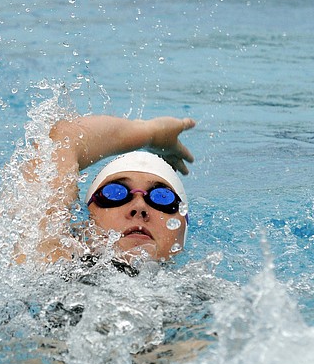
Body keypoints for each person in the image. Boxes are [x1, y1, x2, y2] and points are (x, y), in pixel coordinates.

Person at [22, 114, 196, 266]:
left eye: (162, 198)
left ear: (182, 232)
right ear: (84, 227)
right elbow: (64, 137)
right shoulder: (51, 261)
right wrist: (149, 132)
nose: (139, 207)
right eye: (115, 193)